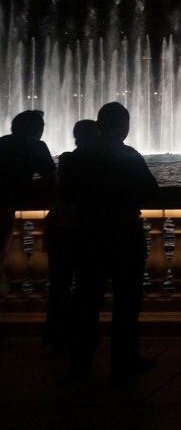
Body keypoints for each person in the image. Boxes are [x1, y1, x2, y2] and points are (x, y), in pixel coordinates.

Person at [62, 102, 159, 380]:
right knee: (127, 301)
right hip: (123, 232)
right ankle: (124, 360)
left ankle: (80, 361)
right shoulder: (127, 154)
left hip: (88, 232)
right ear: (124, 126)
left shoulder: (81, 156)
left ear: (100, 124)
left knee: (86, 298)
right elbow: (150, 191)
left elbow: (66, 194)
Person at [43, 119, 98, 354]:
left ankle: (56, 336)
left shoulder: (66, 159)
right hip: (80, 230)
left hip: (57, 227)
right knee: (86, 285)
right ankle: (79, 337)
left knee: (59, 285)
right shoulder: (94, 162)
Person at [0, 110, 58, 303]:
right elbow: (52, 180)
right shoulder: (36, 146)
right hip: (4, 208)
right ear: (37, 129)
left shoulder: (2, 142)